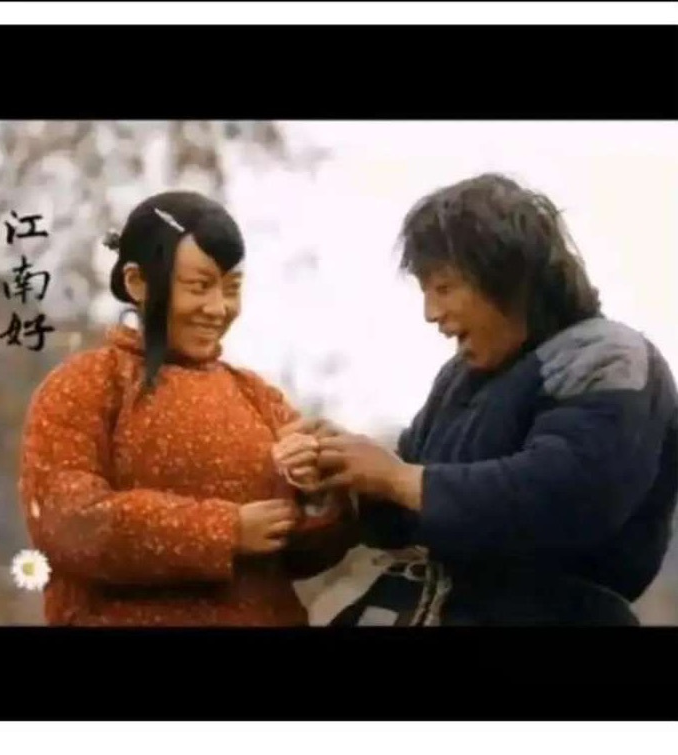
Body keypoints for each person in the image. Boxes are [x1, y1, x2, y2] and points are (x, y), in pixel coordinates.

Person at [276, 173, 678, 626]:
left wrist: (398, 478)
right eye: (425, 292)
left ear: (507, 278)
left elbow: (564, 498)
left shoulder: (607, 358)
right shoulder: (461, 379)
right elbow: (403, 510)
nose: (431, 313)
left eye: (444, 288)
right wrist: (344, 473)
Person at [18, 190, 353, 626]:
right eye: (199, 287)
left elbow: (309, 555)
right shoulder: (85, 386)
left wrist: (316, 493)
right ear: (138, 283)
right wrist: (225, 531)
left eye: (231, 289)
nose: (218, 308)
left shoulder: (258, 398)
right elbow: (67, 522)